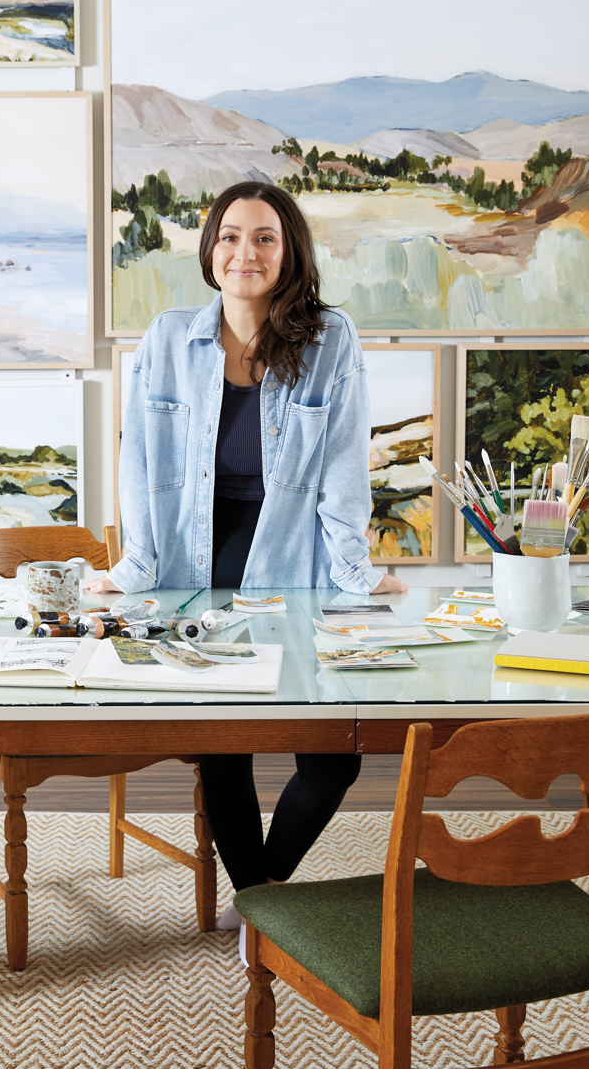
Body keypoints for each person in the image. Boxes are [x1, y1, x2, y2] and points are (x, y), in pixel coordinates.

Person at [87, 181, 407, 924]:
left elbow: (342, 470)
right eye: (230, 235)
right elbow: (140, 465)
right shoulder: (168, 339)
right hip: (195, 565)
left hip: (297, 562)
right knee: (221, 736)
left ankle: (263, 889)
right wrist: (135, 565)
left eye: (264, 237)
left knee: (334, 757)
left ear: (288, 250)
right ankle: (255, 904)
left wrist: (357, 571)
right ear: (210, 249)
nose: (245, 252)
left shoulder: (331, 339)